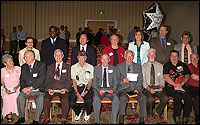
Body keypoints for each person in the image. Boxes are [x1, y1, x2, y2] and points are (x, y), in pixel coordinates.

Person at [15, 50, 46, 124]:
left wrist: (31, 87)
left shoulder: (41, 65)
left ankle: (36, 119)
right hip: (26, 90)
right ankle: (21, 117)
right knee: (20, 97)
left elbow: (41, 79)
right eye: (24, 57)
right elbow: (22, 80)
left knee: (41, 99)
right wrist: (23, 89)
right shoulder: (24, 67)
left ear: (32, 57)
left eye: (26, 57)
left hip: (38, 90)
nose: (24, 59)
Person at [42, 49, 72, 124]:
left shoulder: (68, 67)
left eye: (59, 55)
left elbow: (69, 80)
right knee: (46, 99)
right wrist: (49, 89)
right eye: (56, 55)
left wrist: (66, 89)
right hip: (52, 88)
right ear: (54, 57)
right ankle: (46, 118)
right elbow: (47, 80)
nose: (58, 57)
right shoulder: (50, 67)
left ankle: (64, 118)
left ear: (63, 56)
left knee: (65, 99)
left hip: (63, 88)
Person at [116, 50, 147, 124]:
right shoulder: (119, 66)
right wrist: (122, 81)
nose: (129, 57)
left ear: (133, 57)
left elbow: (140, 80)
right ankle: (121, 119)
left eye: (131, 56)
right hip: (123, 89)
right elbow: (115, 80)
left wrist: (138, 89)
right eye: (128, 56)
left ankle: (142, 119)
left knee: (143, 97)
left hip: (134, 89)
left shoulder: (138, 66)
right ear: (125, 57)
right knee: (123, 98)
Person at [163, 50, 192, 124]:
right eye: (172, 56)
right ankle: (176, 116)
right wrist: (175, 85)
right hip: (170, 86)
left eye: (176, 56)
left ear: (178, 57)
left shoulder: (182, 65)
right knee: (177, 96)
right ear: (170, 57)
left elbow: (187, 75)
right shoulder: (167, 65)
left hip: (182, 86)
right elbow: (166, 76)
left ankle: (185, 116)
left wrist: (181, 84)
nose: (174, 57)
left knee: (188, 97)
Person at [142, 48, 169, 122]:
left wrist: (162, 86)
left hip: (158, 86)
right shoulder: (143, 66)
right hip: (148, 87)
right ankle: (149, 114)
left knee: (165, 98)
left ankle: (157, 112)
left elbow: (162, 78)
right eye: (150, 55)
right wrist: (149, 89)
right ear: (147, 56)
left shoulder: (160, 66)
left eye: (153, 55)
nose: (152, 56)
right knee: (150, 99)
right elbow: (143, 81)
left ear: (155, 56)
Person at [92, 53, 119, 124]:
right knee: (96, 99)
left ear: (109, 60)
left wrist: (113, 89)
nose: (104, 61)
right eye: (103, 59)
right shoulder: (96, 69)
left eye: (106, 59)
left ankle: (113, 121)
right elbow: (94, 83)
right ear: (100, 60)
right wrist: (98, 90)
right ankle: (97, 121)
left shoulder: (114, 68)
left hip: (110, 89)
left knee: (116, 99)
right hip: (99, 89)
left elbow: (116, 82)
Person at [69, 51, 94, 122]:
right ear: (77, 58)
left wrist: (86, 91)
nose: (81, 60)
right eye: (80, 58)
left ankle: (87, 113)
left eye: (83, 58)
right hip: (76, 86)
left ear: (86, 58)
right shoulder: (73, 67)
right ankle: (78, 112)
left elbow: (90, 81)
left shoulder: (90, 67)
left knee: (89, 101)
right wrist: (77, 93)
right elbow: (74, 81)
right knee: (71, 102)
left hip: (86, 86)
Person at [1, 54, 21, 123]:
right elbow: (2, 83)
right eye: (9, 61)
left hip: (16, 87)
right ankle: (9, 114)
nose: (11, 62)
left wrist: (17, 87)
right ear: (5, 63)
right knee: (7, 96)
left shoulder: (18, 69)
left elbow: (20, 81)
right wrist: (5, 89)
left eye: (11, 60)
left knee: (15, 95)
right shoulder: (2, 71)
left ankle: (17, 112)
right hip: (6, 88)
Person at [185, 53, 199, 124]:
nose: (194, 59)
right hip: (191, 87)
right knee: (196, 97)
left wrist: (197, 77)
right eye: (193, 58)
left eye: (196, 58)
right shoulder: (189, 66)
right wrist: (196, 77)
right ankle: (197, 115)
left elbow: (196, 77)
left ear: (198, 58)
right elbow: (193, 77)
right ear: (190, 59)